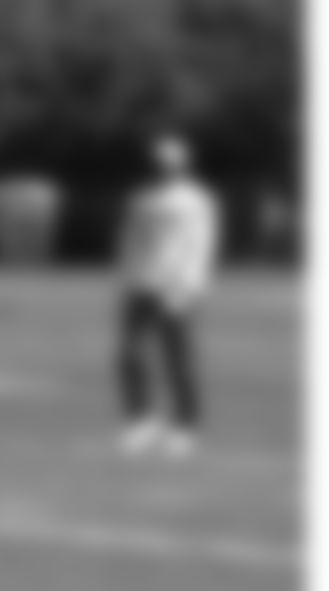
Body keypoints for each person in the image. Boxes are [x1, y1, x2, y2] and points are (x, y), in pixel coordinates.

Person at [116, 134, 221, 458]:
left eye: (168, 165)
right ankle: (140, 421)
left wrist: (190, 285)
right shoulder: (141, 199)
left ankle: (185, 426)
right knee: (131, 355)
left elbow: (202, 245)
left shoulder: (195, 200)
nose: (162, 169)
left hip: (177, 287)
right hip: (142, 284)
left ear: (180, 166)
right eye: (158, 164)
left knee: (178, 359)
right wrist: (128, 277)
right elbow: (131, 241)